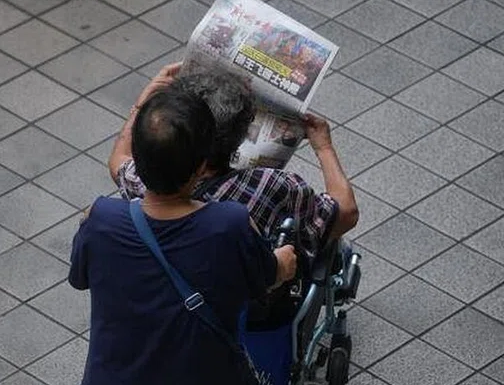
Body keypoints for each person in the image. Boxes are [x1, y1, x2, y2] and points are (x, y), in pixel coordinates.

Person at [70, 86, 297, 385]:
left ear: (138, 160)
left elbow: (81, 276)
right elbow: (266, 278)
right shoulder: (229, 226)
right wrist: (283, 262)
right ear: (200, 168)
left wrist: (142, 100)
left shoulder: (102, 219)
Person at [109, 63, 359, 260]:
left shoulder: (147, 183)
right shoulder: (272, 186)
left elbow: (118, 160)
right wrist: (324, 148)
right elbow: (345, 213)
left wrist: (142, 106)